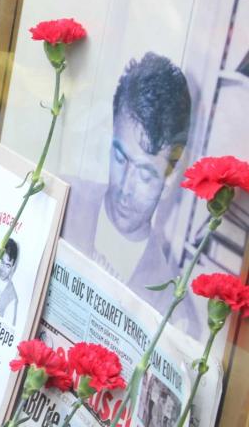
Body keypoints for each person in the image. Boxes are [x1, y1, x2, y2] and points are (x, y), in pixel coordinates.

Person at [62, 52, 193, 323]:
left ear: (170, 179)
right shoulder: (60, 197)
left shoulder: (173, 308)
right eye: (120, 158)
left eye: (145, 174)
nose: (125, 187)